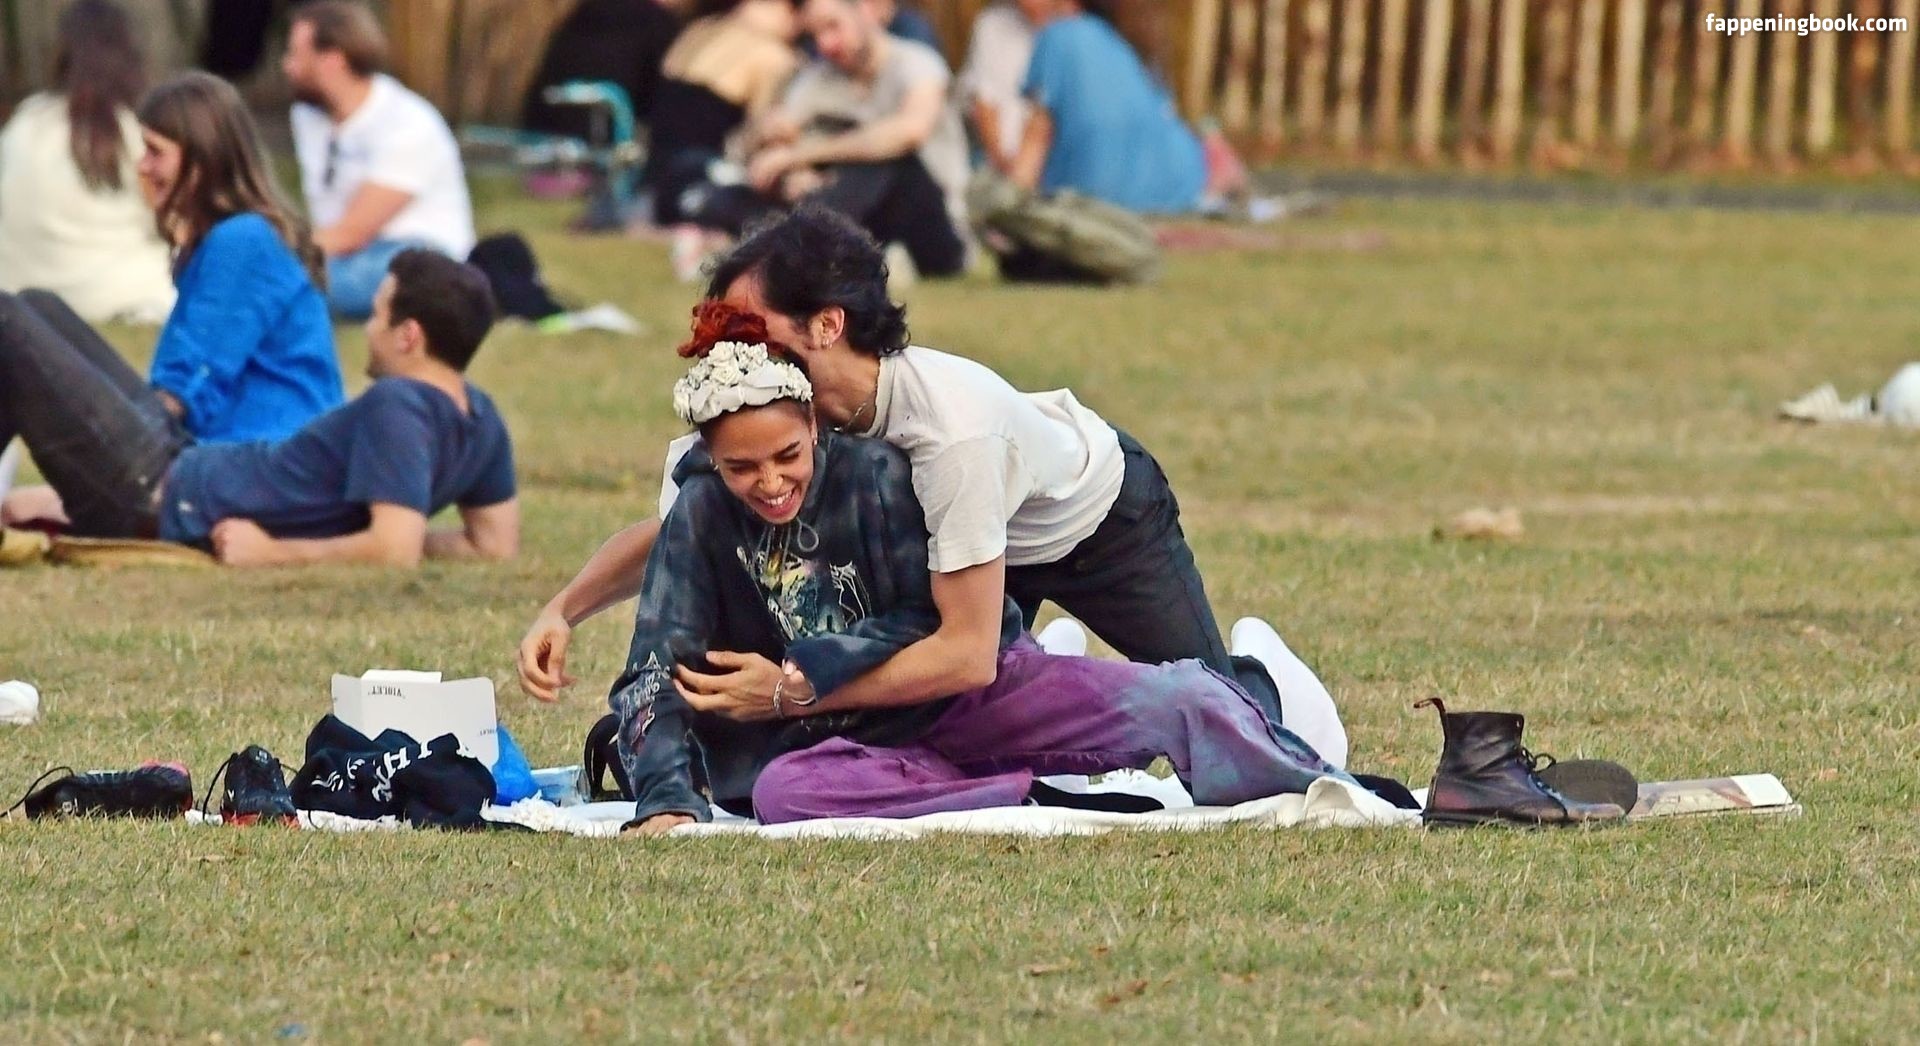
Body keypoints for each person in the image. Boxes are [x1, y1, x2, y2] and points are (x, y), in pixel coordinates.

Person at [519, 207, 1348, 766]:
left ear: (827, 324)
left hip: (1092, 521)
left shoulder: (950, 431)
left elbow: (962, 653)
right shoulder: (770, 415)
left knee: (1226, 720)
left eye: (748, 330)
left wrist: (788, 693)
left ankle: (1274, 681)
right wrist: (563, 610)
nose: (729, 352)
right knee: (941, 711)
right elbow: (680, 530)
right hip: (956, 555)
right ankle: (1040, 660)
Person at [600, 301, 1346, 831]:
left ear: (814, 424)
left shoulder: (881, 474)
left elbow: (934, 623)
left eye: (787, 455)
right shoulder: (699, 514)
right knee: (785, 796)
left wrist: (799, 680)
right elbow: (653, 673)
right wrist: (665, 798)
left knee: (1178, 696)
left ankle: (1286, 720)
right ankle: (1027, 791)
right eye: (740, 467)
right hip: (837, 748)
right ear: (709, 457)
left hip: (970, 685)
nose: (769, 482)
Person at [0, 248, 518, 569]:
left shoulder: (398, 405)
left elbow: (392, 551)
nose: (367, 329)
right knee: (39, 305)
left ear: (409, 336)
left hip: (153, 492)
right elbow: (491, 543)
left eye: (378, 316)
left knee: (8, 321)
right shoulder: (481, 417)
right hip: (181, 457)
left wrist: (275, 551)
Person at [0, 68, 342, 520]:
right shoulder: (229, 241)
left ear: (202, 162)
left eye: (155, 152)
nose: (142, 167)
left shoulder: (245, 240)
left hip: (217, 482)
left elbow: (186, 389)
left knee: (8, 320)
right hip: (207, 467)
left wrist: (94, 432)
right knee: (37, 306)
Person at [731, 0, 971, 277]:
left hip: (933, 223)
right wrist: (785, 163)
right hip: (854, 211)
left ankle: (793, 245)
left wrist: (798, 157)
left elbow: (909, 132)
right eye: (814, 35)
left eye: (833, 26)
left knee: (888, 160)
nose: (825, 44)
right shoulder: (818, 78)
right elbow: (775, 138)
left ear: (867, 11)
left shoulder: (918, 63)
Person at [283, 1, 476, 318]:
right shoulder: (308, 117)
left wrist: (272, 254)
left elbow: (352, 232)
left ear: (332, 60)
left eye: (295, 55)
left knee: (299, 285)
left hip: (418, 252)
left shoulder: (407, 123)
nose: (286, 66)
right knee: (290, 278)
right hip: (344, 251)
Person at [0, 0, 175, 325]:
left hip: (20, 289)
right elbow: (167, 221)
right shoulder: (134, 131)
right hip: (119, 292)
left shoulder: (25, 122)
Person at [1009, 0, 1209, 214]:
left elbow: (1035, 142)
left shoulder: (1059, 36)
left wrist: (1007, 208)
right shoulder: (1131, 43)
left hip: (1100, 196)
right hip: (1178, 188)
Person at [643, 0, 801, 227]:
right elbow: (764, 134)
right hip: (700, 181)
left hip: (653, 180)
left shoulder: (700, 29)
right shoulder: (771, 55)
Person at [956, 0, 1035, 173]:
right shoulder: (993, 24)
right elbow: (983, 102)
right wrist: (1004, 166)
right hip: (997, 165)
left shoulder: (1077, 31)